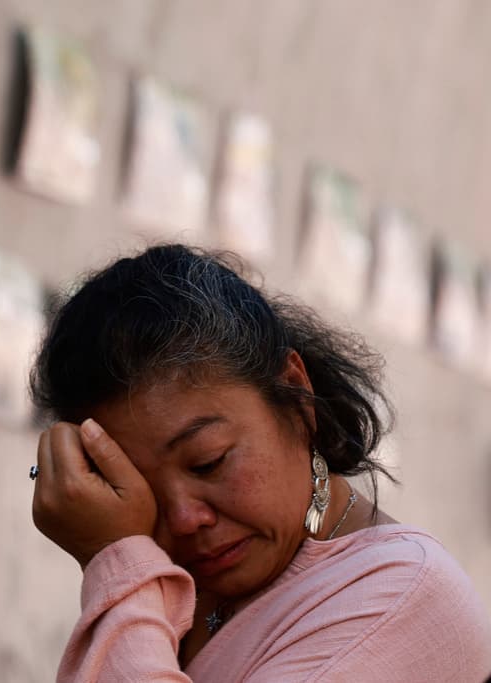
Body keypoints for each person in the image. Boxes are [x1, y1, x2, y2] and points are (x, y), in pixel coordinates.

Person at [28, 244, 491, 681]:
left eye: (208, 462)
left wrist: (116, 560)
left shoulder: (398, 597)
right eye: (138, 489)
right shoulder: (184, 583)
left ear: (295, 393)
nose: (185, 519)